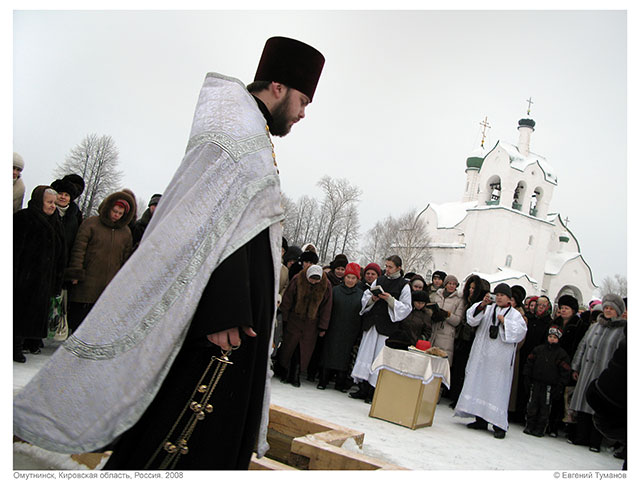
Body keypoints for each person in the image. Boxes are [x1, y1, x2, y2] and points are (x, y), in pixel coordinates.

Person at [14, 36, 325, 470]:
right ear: (278, 86)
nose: (304, 113)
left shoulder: (250, 131)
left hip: (234, 317)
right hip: (221, 324)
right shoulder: (235, 133)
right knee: (184, 431)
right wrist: (224, 309)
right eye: (304, 100)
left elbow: (235, 223)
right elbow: (208, 221)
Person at [454, 283, 527, 439]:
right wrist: (482, 305)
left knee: (496, 389)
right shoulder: (488, 308)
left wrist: (504, 322)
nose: (499, 297)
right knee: (479, 384)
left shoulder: (514, 315)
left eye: (502, 295)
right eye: (497, 294)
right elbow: (471, 319)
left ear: (509, 298)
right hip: (482, 356)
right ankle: (480, 419)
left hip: (499, 360)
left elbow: (521, 332)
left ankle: (498, 424)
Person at [65, 191, 135, 332]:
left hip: (109, 282)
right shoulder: (91, 223)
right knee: (79, 316)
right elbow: (79, 249)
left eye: (120, 213)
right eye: (114, 211)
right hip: (87, 279)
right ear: (108, 208)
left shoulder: (126, 232)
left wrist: (122, 281)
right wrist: (76, 272)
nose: (116, 215)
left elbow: (125, 259)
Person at [13, 186, 66, 362]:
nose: (52, 206)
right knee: (18, 313)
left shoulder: (55, 222)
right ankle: (14, 347)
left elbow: (60, 252)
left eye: (54, 202)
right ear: (38, 201)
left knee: (31, 315)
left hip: (43, 278)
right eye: (49, 202)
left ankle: (23, 345)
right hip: (24, 276)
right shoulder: (24, 218)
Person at [568, 293, 626, 453]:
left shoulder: (622, 329)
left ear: (618, 311)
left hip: (605, 372)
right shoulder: (595, 326)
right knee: (583, 401)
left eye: (611, 309)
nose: (607, 311)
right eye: (606, 307)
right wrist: (576, 366)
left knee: (599, 406)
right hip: (587, 370)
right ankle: (581, 436)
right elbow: (583, 346)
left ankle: (595, 441)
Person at [349, 255, 412, 403]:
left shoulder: (404, 285)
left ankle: (373, 391)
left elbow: (407, 308)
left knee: (378, 358)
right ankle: (362, 387)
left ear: (398, 268)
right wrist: (373, 299)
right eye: (386, 266)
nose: (387, 269)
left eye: (390, 267)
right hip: (372, 324)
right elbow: (366, 297)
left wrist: (390, 300)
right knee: (366, 356)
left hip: (386, 328)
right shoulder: (380, 280)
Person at [278, 264, 333, 387]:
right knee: (289, 347)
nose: (314, 282)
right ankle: (286, 372)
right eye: (312, 279)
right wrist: (284, 319)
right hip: (294, 320)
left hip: (311, 324)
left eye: (316, 279)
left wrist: (323, 327)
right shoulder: (298, 279)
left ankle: (296, 374)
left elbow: (326, 308)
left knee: (303, 350)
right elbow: (287, 299)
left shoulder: (326, 285)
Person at [318, 262, 364, 391]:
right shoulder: (335, 290)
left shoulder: (361, 295)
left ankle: (340, 383)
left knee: (344, 358)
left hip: (350, 330)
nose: (350, 280)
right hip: (333, 327)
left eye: (353, 278)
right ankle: (323, 380)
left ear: (357, 279)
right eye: (348, 277)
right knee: (328, 354)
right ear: (344, 277)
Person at [522, 326, 571, 437]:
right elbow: (529, 363)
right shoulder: (539, 349)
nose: (552, 339)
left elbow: (565, 372)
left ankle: (540, 428)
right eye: (550, 336)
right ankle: (529, 425)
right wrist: (527, 377)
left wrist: (560, 386)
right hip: (535, 383)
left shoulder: (561, 354)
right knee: (532, 405)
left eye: (555, 337)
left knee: (545, 408)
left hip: (550, 386)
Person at [448, 275, 489, 408]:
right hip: (462, 338)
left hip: (472, 340)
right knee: (459, 368)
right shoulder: (467, 301)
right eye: (470, 288)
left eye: (474, 288)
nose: (471, 290)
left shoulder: (480, 304)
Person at [429, 274, 465, 367]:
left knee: (441, 364)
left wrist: (447, 315)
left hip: (447, 335)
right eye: (449, 283)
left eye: (454, 284)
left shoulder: (459, 299)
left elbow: (457, 320)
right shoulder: (437, 295)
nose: (451, 286)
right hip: (433, 330)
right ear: (445, 284)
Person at [50, 177, 82, 264]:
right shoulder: (47, 213)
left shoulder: (74, 218)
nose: (63, 197)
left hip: (62, 261)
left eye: (66, 195)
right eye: (60, 194)